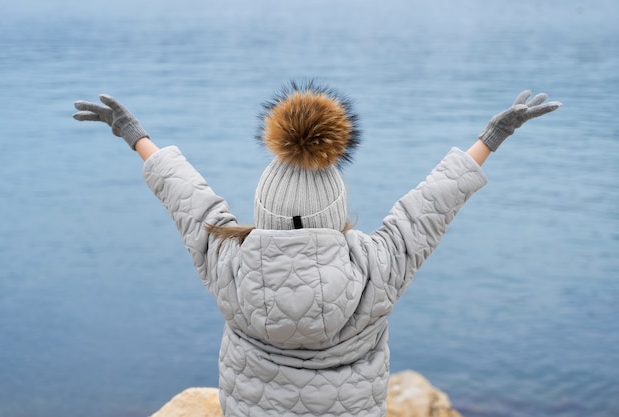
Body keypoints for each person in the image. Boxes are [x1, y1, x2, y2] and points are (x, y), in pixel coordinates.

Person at [73, 82, 561, 417]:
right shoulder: (377, 265)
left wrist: (136, 136)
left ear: (263, 209)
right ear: (335, 208)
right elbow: (429, 205)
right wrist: (490, 139)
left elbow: (185, 194)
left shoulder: (227, 259)